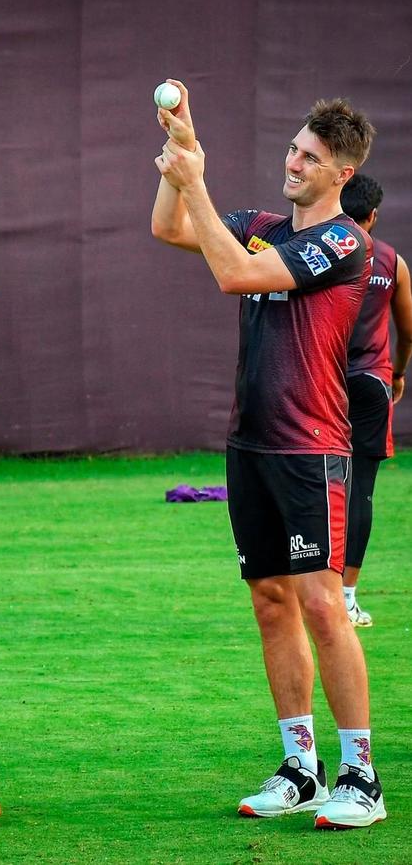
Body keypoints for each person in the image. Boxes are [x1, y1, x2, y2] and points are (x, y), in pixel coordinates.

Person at [151, 82, 386, 829]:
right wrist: (179, 153)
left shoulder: (346, 240)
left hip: (310, 447)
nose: (293, 162)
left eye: (310, 157)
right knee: (270, 602)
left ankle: (362, 776)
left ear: (341, 174)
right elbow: (167, 228)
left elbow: (233, 274)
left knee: (322, 603)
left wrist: (197, 181)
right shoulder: (258, 223)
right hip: (249, 444)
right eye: (292, 148)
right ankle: (301, 765)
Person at [339, 174, 412, 626]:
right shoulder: (391, 261)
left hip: (319, 382)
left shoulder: (317, 252)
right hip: (369, 383)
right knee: (359, 491)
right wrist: (399, 373)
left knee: (309, 482)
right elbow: (409, 331)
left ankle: (307, 589)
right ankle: (345, 597)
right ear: (373, 215)